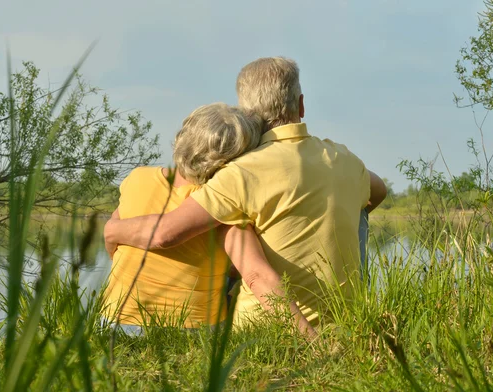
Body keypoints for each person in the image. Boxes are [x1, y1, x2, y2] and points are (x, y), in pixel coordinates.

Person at [104, 57, 387, 328]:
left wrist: (113, 231)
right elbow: (379, 191)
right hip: (344, 318)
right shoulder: (346, 160)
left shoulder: (240, 172)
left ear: (247, 112)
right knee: (357, 209)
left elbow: (166, 233)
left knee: (232, 226)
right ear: (301, 105)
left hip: (261, 323)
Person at [102, 102, 316, 338]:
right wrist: (311, 340)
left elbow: (113, 242)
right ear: (237, 160)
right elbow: (256, 275)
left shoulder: (137, 178)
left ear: (182, 137)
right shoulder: (221, 206)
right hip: (190, 330)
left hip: (113, 322)